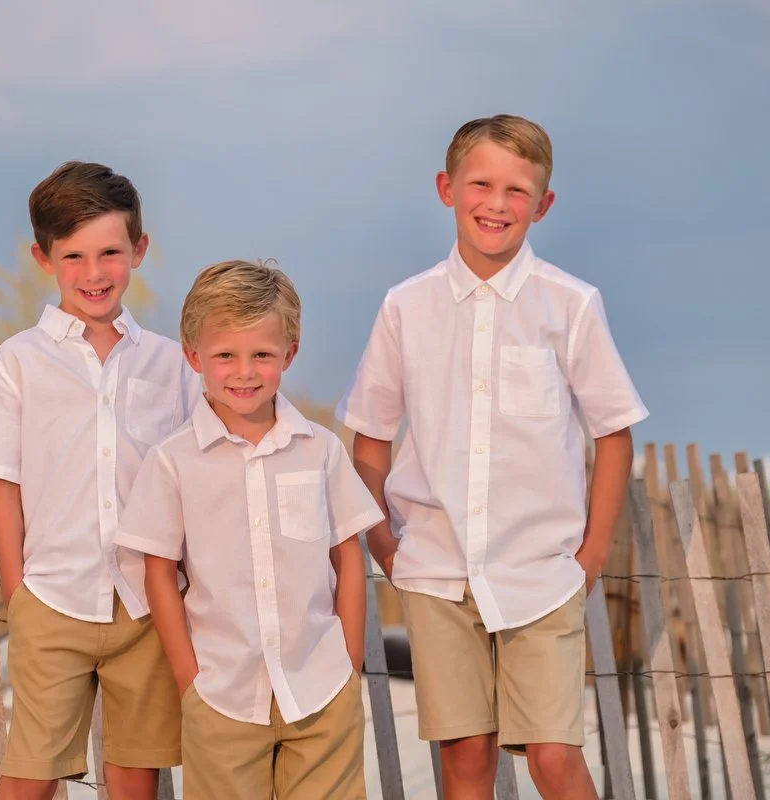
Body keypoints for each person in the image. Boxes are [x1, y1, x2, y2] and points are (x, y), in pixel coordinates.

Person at [336, 115, 648, 799]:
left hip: (540, 572)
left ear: (545, 204)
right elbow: (370, 435)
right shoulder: (406, 307)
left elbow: (613, 432)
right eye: (481, 184)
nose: (497, 204)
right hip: (436, 569)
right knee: (467, 754)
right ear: (447, 188)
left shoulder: (571, 305)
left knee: (554, 756)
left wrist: (591, 554)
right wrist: (387, 541)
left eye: (518, 190)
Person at [0, 161, 198, 800]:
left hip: (146, 604)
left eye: (110, 253)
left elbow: (190, 481)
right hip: (53, 598)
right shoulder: (16, 363)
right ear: (43, 258)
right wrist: (19, 595)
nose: (94, 274)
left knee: (135, 773)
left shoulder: (170, 364)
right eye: (74, 257)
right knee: (32, 772)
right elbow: (2, 486)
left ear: (139, 250)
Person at [115, 259, 384, 799]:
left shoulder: (321, 450)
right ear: (194, 356)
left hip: (321, 688)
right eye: (225, 356)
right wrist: (191, 681)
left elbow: (347, 557)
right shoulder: (174, 462)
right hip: (222, 694)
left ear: (290, 352)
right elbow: (159, 574)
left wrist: (348, 663)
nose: (244, 372)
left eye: (262, 354)